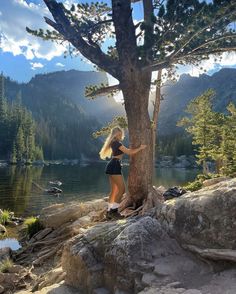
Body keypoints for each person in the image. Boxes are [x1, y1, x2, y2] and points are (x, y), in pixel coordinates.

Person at [99, 126, 147, 219]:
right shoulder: (117, 143)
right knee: (122, 190)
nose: (121, 135)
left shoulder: (113, 142)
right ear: (116, 134)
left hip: (113, 165)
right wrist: (140, 148)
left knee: (114, 191)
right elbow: (129, 152)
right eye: (119, 133)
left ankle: (109, 211)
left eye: (121, 133)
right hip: (115, 166)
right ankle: (113, 211)